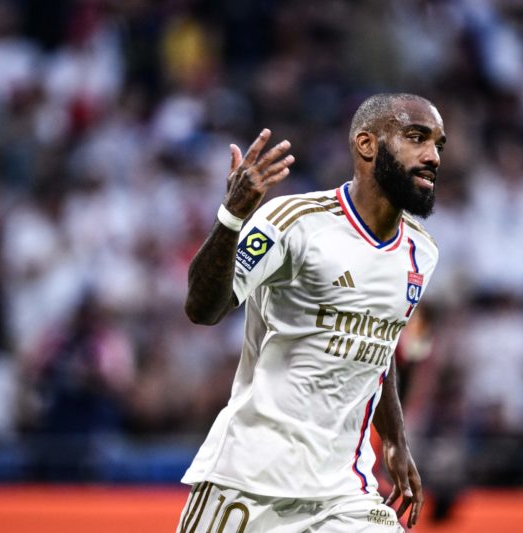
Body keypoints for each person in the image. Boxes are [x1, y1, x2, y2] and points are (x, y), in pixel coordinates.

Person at [178, 93, 446, 532]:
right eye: (416, 138)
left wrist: (395, 438)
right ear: (367, 145)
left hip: (345, 491)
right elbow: (202, 309)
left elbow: (381, 346)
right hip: (249, 480)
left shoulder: (422, 252)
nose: (432, 156)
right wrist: (231, 217)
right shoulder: (293, 221)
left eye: (438, 144)